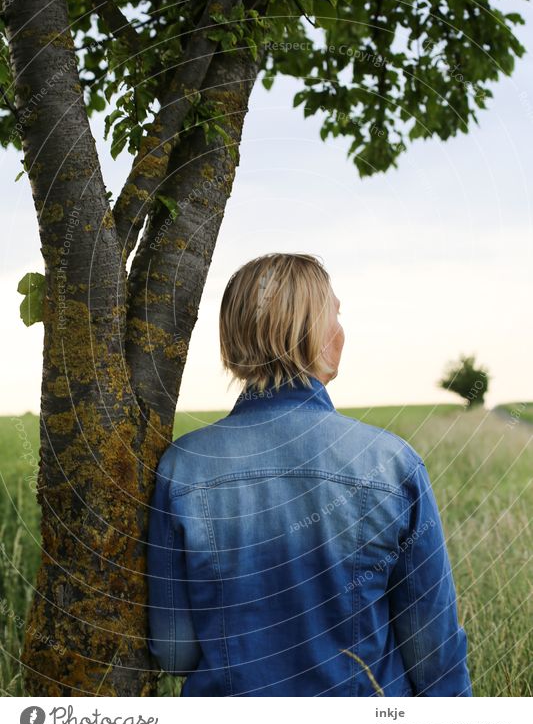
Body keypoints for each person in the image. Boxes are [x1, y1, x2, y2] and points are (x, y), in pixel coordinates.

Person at [146, 252, 472, 697]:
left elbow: (173, 651)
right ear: (316, 334)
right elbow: (434, 655)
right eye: (334, 315)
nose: (341, 331)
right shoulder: (392, 463)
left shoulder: (182, 468)